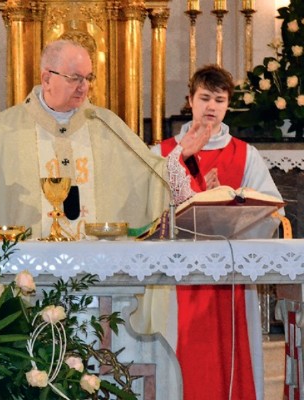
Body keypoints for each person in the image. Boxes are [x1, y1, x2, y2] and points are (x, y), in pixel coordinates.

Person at [0, 39, 207, 238]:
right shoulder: (7, 127)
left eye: (88, 78)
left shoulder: (105, 123)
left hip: (97, 271)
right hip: (30, 275)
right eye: (75, 78)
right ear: (47, 78)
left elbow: (150, 175)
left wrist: (179, 157)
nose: (84, 86)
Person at [150, 65, 282, 400]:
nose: (211, 106)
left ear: (227, 105)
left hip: (230, 276)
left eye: (219, 100)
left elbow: (271, 210)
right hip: (176, 278)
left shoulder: (245, 154)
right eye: (204, 97)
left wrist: (229, 198)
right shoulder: (162, 153)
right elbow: (146, 207)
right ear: (190, 101)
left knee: (228, 360)